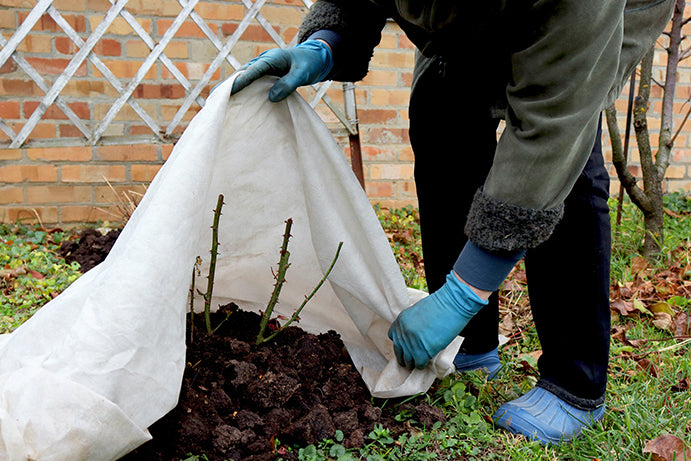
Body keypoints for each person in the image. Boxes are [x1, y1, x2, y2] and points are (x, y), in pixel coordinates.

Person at [230, 0, 674, 444]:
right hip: (474, 16)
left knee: (568, 158)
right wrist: (328, 42)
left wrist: (462, 294)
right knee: (440, 106)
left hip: (600, 14)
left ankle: (575, 383)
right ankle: (472, 345)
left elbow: (552, 127)